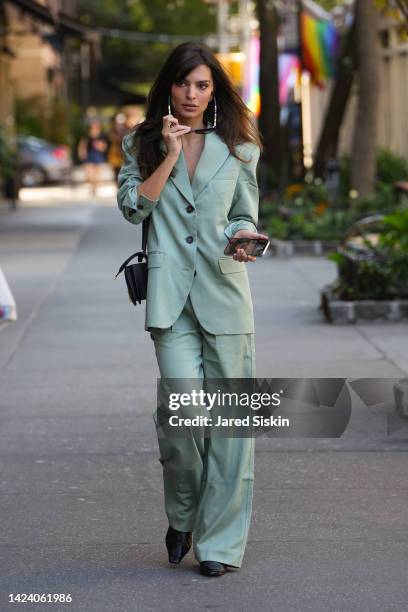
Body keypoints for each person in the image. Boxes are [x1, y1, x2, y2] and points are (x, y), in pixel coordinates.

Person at [116, 42, 267, 578]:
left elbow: (241, 216)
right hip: (170, 301)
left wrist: (245, 236)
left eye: (203, 85)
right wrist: (171, 154)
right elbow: (134, 205)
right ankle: (183, 514)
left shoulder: (240, 147)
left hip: (226, 297)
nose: (192, 95)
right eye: (184, 84)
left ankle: (221, 545)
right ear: (169, 87)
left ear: (214, 92)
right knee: (183, 419)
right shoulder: (143, 142)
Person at [78, 119, 108, 196]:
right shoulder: (87, 135)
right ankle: (92, 186)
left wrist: (99, 145)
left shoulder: (102, 136)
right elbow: (83, 145)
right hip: (89, 155)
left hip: (97, 155)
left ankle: (95, 188)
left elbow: (104, 147)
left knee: (97, 173)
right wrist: (82, 153)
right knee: (89, 173)